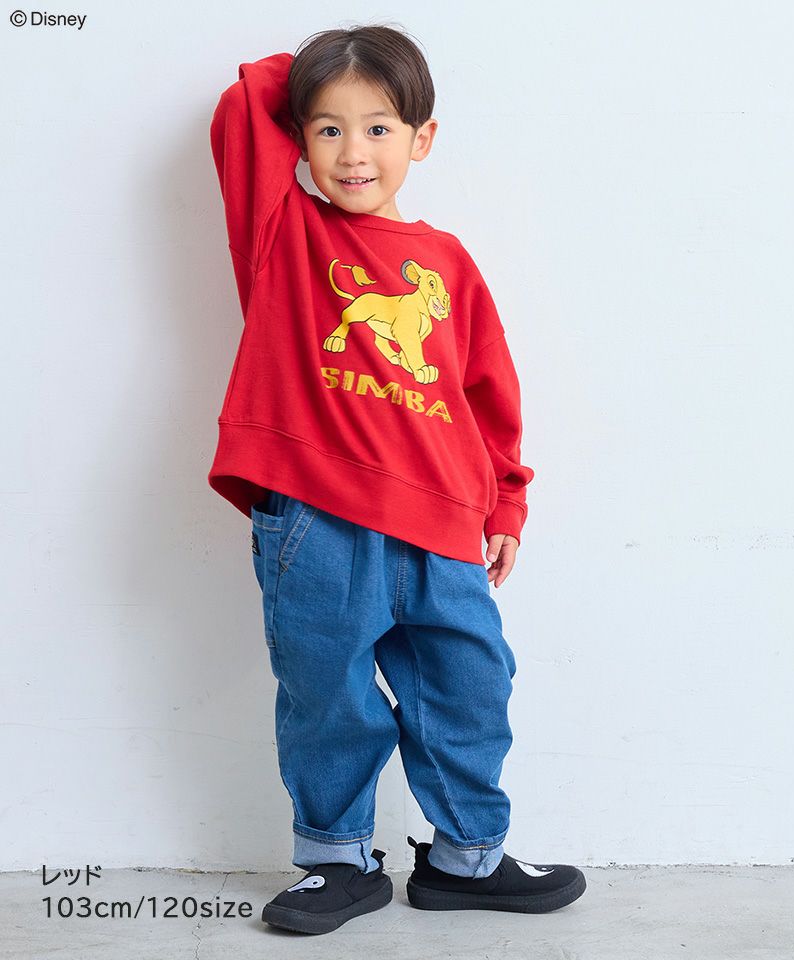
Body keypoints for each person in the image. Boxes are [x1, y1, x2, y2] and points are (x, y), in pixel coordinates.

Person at [208, 23, 586, 935]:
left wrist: (506, 501)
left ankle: (466, 860)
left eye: (379, 128)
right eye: (327, 129)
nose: (353, 152)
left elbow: (486, 391)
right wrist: (329, 66)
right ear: (298, 138)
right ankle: (337, 861)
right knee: (328, 695)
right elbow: (244, 102)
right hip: (319, 518)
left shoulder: (447, 264)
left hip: (444, 521)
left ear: (424, 139)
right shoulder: (283, 234)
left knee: (470, 688)